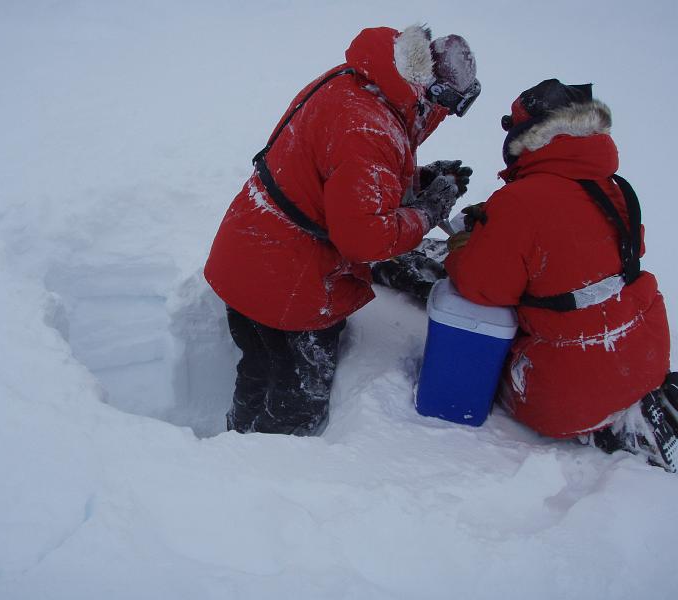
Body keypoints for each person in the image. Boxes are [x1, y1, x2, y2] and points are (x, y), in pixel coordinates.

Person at [205, 25, 480, 435]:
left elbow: (339, 176)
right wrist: (427, 209)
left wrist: (416, 181)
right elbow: (365, 239)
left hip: (247, 252)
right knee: (297, 397)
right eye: (447, 104)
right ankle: (258, 473)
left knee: (260, 363)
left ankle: (232, 441)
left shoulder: (364, 79)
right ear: (427, 89)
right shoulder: (370, 127)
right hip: (290, 286)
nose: (444, 116)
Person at [444, 79, 676, 471]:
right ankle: (635, 405)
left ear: (527, 137)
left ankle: (609, 429)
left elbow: (482, 286)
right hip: (647, 352)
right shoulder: (615, 187)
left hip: (562, 391)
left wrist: (464, 249)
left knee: (467, 303)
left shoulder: (519, 202)